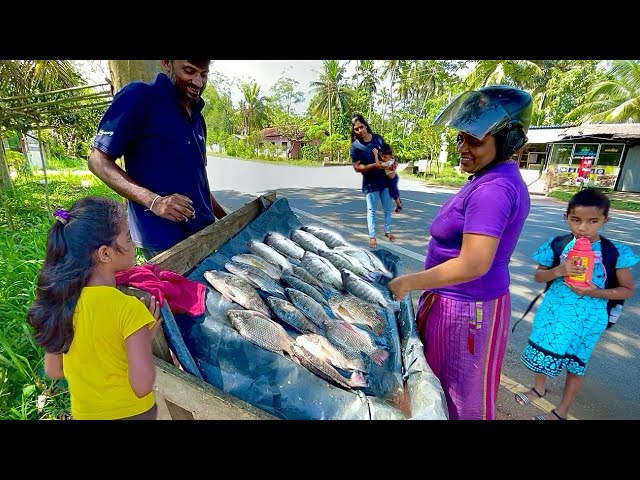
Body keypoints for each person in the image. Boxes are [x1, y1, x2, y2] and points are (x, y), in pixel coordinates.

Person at [387, 85, 533, 420]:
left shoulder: (494, 188)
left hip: (468, 312)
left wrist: (408, 282)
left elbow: (473, 263)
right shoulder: (486, 177)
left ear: (508, 140)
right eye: (460, 138)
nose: (462, 147)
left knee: (461, 400)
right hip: (453, 304)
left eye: (474, 140)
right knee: (436, 389)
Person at [26, 197, 163, 420]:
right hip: (133, 414)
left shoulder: (62, 303)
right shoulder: (129, 309)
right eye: (128, 239)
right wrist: (145, 341)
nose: (134, 244)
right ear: (105, 253)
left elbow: (54, 370)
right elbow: (142, 386)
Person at [515, 188, 638, 420]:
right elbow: (539, 277)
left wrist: (595, 291)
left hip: (588, 320)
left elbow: (627, 289)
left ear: (605, 220)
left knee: (576, 364)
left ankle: (562, 410)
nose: (583, 228)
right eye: (576, 220)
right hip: (553, 312)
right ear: (566, 218)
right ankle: (539, 388)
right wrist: (560, 270)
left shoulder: (615, 253)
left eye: (593, 221)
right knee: (544, 350)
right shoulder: (558, 245)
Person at [88, 60, 228, 261]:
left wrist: (225, 216)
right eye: (189, 71)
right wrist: (155, 202)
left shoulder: (197, 117)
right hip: (164, 240)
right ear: (166, 63)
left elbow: (198, 183)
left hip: (204, 234)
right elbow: (97, 161)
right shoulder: (140, 97)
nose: (197, 82)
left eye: (203, 74)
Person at [350, 114, 395, 249]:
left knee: (387, 208)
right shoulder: (355, 146)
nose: (360, 131)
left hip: (384, 181)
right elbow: (357, 167)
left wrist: (392, 164)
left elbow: (387, 155)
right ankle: (372, 236)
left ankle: (387, 231)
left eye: (361, 127)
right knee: (372, 210)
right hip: (370, 184)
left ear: (366, 125)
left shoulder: (378, 139)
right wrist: (373, 166)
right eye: (356, 129)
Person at [373, 142, 403, 213]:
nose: (383, 158)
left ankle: (399, 205)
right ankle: (398, 199)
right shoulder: (391, 160)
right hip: (392, 178)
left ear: (390, 156)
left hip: (392, 180)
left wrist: (376, 155)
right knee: (393, 190)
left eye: (385, 157)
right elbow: (394, 162)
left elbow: (377, 165)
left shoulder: (387, 163)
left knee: (393, 192)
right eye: (382, 156)